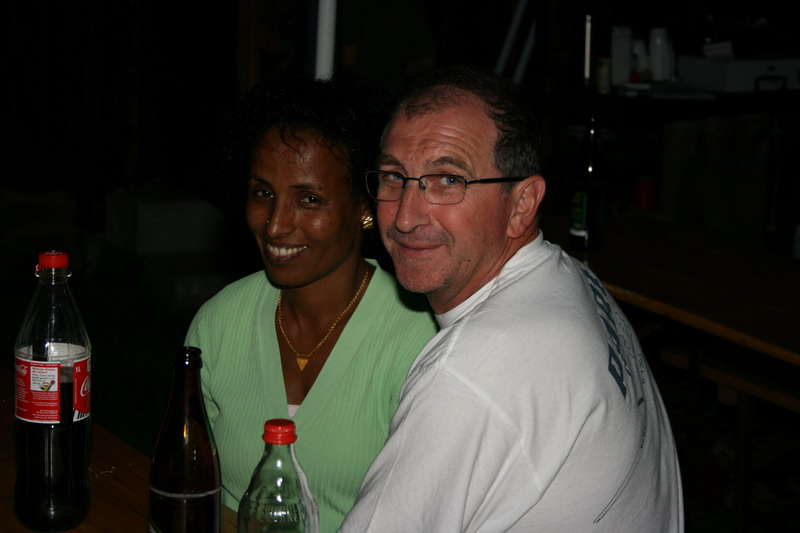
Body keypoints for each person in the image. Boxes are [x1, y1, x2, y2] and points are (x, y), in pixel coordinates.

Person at [338, 65, 684, 532]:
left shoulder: (474, 369)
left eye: (448, 181)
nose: (404, 217)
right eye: (393, 176)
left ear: (521, 204)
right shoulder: (569, 278)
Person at [184, 77, 438, 532]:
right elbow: (194, 492)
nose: (275, 225)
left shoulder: (419, 340)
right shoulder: (219, 324)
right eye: (263, 193)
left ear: (365, 207)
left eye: (309, 199)